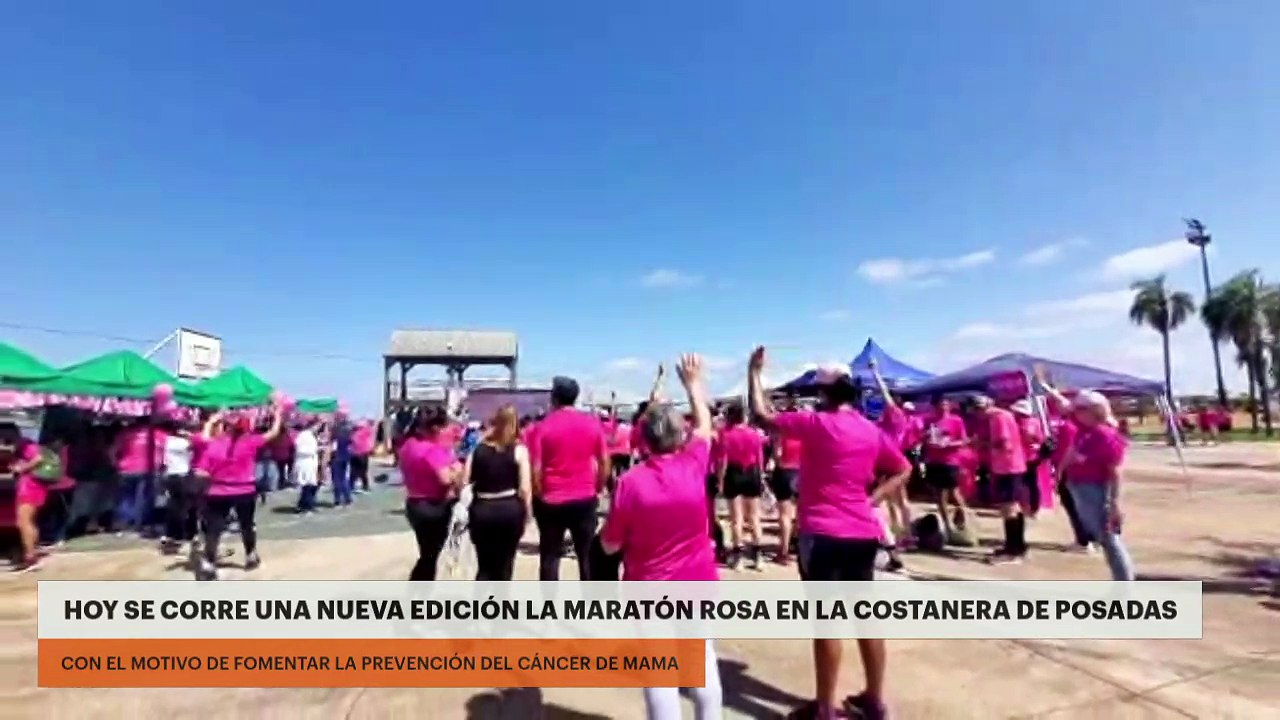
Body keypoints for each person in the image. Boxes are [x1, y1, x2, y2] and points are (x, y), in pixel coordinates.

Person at [748, 349, 911, 720]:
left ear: (823, 393)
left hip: (822, 533)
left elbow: (762, 414)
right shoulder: (869, 429)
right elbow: (904, 469)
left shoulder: (816, 423)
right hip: (861, 533)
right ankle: (874, 698)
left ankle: (824, 709)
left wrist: (754, 373)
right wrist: (872, 499)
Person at [599, 354, 723, 719]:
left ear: (643, 440)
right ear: (680, 435)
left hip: (649, 588)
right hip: (698, 582)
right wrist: (693, 384)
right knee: (702, 664)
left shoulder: (630, 484)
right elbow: (702, 425)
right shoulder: (694, 464)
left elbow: (610, 544)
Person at [532, 376, 611, 580]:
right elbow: (604, 461)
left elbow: (536, 469)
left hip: (552, 499)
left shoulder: (542, 427)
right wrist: (598, 487)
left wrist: (540, 494)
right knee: (586, 555)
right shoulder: (591, 424)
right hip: (584, 497)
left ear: (554, 398)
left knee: (550, 557)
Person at [193, 406, 283, 580]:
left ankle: (209, 564)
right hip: (244, 490)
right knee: (247, 525)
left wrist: (212, 422)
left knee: (214, 529)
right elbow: (273, 433)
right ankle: (251, 556)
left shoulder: (214, 444)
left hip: (218, 490)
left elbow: (201, 472)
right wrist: (278, 414)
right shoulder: (251, 441)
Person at [1060, 391, 1135, 580]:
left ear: (1095, 410)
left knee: (1110, 539)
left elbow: (1115, 472)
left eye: (1081, 409)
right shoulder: (1085, 431)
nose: (1076, 413)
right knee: (1104, 538)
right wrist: (1060, 472)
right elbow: (1072, 452)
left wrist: (1114, 503)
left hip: (1096, 489)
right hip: (1080, 487)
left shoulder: (1105, 435)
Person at [463, 405, 532, 581]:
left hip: (482, 508)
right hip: (509, 509)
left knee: (484, 565)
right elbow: (525, 488)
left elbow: (465, 480)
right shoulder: (519, 451)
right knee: (505, 564)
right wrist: (528, 513)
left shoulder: (478, 449)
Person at [399, 407, 462, 581]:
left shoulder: (408, 445)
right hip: (434, 505)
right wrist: (457, 469)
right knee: (431, 556)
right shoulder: (432, 450)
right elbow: (446, 478)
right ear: (435, 428)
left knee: (427, 553)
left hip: (414, 502)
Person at [716, 403, 766, 571]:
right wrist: (761, 476)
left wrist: (721, 480)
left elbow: (723, 460)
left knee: (736, 519)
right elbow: (759, 457)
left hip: (734, 473)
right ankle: (758, 557)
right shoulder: (754, 434)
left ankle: (738, 559)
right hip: (752, 472)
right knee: (754, 517)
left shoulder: (726, 434)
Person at [981, 396, 1029, 564]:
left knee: (1009, 508)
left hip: (1007, 467)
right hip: (1011, 466)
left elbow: (1004, 443)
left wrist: (981, 444)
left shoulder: (998, 418)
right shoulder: (1005, 416)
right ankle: (1017, 547)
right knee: (1013, 507)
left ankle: (1013, 550)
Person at [923, 396, 974, 546]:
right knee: (939, 495)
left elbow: (964, 440)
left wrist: (949, 443)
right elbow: (923, 438)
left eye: (945, 404)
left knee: (954, 492)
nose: (943, 407)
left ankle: (965, 520)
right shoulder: (929, 421)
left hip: (950, 460)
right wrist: (927, 439)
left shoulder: (956, 420)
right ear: (934, 406)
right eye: (940, 404)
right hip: (933, 461)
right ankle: (947, 527)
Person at [2, 422, 48, 572]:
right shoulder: (20, 445)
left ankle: (30, 558)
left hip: (30, 487)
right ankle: (32, 552)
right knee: (29, 522)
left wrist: (22, 468)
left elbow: (39, 458)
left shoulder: (26, 445)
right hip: (31, 487)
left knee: (23, 522)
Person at [111, 417, 166, 536]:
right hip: (148, 470)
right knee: (144, 498)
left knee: (126, 498)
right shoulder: (159, 435)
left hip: (126, 469)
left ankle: (123, 523)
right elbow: (166, 452)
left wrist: (115, 464)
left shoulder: (126, 433)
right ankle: (139, 524)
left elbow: (113, 450)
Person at [769, 397, 801, 564]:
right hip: (801, 472)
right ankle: (797, 542)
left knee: (784, 515)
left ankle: (784, 550)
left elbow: (777, 455)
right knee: (800, 512)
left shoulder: (781, 432)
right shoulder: (805, 433)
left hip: (785, 471)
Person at [293, 419, 321, 514]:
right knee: (306, 485)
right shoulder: (303, 436)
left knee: (310, 485)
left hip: (310, 463)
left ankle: (305, 505)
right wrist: (314, 450)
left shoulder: (312, 436)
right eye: (317, 426)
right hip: (304, 463)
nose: (318, 428)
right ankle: (306, 506)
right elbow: (300, 449)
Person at [330, 417, 354, 507]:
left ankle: (338, 499)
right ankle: (347, 498)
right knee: (343, 478)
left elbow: (333, 448)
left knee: (336, 479)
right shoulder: (348, 432)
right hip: (345, 457)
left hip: (337, 457)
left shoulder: (336, 435)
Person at [350, 420, 374, 493]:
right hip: (363, 453)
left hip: (354, 453)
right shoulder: (366, 431)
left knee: (354, 470)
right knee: (363, 470)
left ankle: (351, 485)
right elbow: (372, 428)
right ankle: (365, 486)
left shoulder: (353, 433)